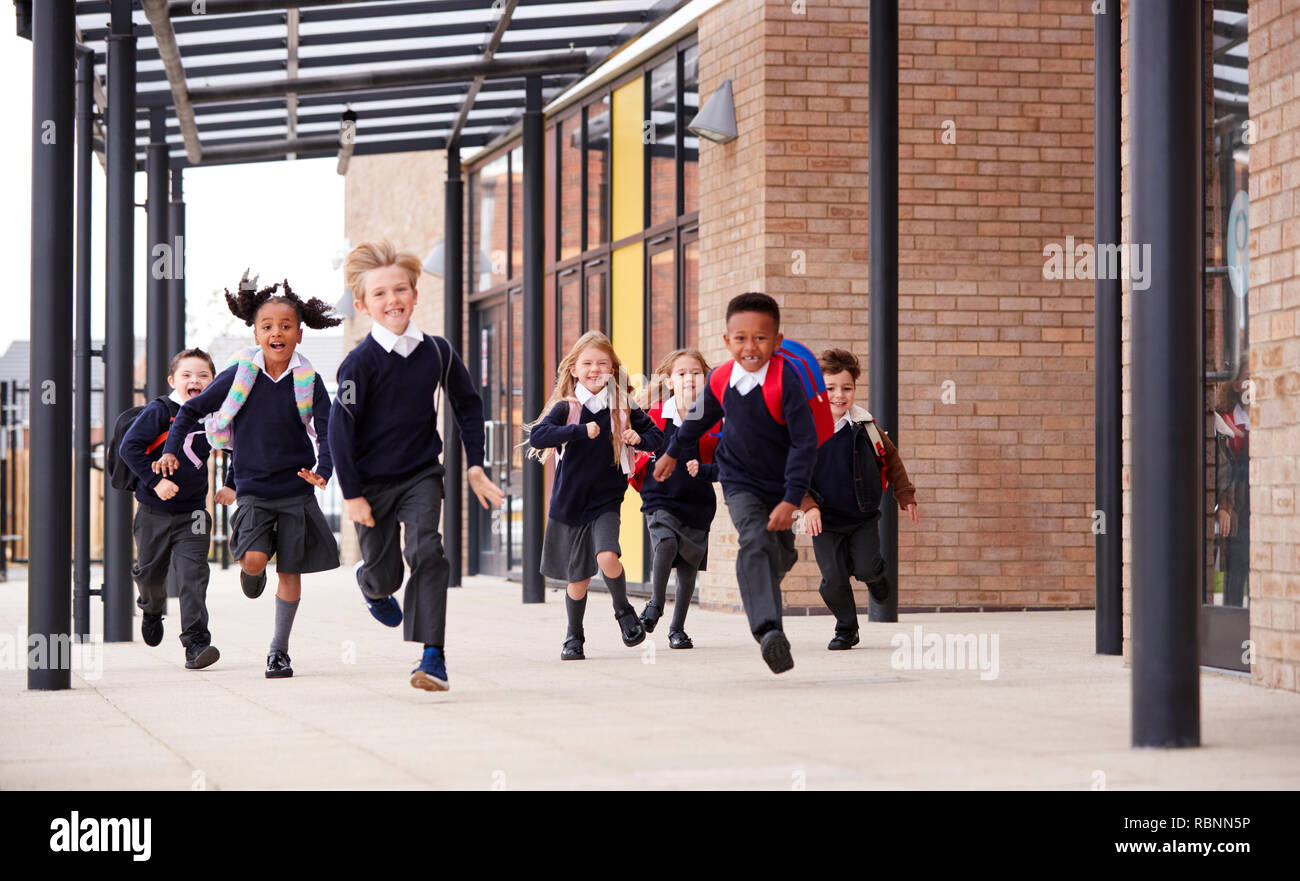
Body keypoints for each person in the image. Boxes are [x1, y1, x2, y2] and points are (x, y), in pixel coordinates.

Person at [330, 240, 505, 692]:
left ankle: (432, 656)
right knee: (386, 572)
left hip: (421, 474)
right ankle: (371, 583)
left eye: (401, 289)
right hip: (369, 483)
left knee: (428, 550)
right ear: (364, 304)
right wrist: (351, 495)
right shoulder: (357, 365)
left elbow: (467, 405)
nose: (394, 300)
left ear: (415, 293)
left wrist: (474, 464)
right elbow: (340, 430)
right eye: (381, 294)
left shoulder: (438, 352)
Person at [156, 277, 340, 680]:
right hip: (254, 489)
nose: (277, 332)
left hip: (295, 489)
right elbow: (189, 411)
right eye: (268, 326)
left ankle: (278, 651)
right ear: (256, 333)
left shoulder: (308, 381)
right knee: (256, 560)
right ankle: (251, 570)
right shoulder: (241, 375)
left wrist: (323, 470)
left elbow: (328, 430)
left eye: (286, 326)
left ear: (299, 334)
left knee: (290, 571)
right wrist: (170, 449)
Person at [652, 292, 819, 674]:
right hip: (738, 479)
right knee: (755, 541)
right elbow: (696, 419)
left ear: (777, 341)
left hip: (780, 483)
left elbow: (805, 444)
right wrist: (673, 451)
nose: (750, 346)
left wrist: (792, 498)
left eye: (760, 338)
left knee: (781, 553)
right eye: (740, 338)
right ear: (727, 341)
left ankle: (766, 576)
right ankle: (768, 631)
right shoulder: (722, 377)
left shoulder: (786, 382)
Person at [527, 331, 664, 661]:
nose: (594, 369)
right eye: (587, 363)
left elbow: (657, 437)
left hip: (606, 500)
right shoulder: (567, 407)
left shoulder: (622, 406)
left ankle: (624, 612)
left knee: (606, 556)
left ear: (613, 370)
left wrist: (637, 438)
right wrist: (577, 431)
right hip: (570, 503)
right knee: (579, 580)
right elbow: (538, 435)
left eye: (603, 364)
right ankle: (574, 636)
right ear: (574, 369)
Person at [799, 348, 917, 649]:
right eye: (830, 388)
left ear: (854, 389)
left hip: (862, 516)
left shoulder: (864, 426)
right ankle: (846, 629)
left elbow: (890, 457)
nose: (839, 395)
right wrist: (808, 506)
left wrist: (904, 494)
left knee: (865, 567)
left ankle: (876, 577)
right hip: (824, 520)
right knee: (833, 581)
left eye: (847, 388)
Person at [119, 348, 227, 670]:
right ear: (172, 380)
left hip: (194, 512)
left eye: (203, 376)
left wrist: (233, 483)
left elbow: (237, 445)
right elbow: (129, 448)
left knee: (193, 576)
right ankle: (151, 608)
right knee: (150, 574)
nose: (195, 380)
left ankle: (196, 645)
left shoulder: (215, 414)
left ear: (213, 381)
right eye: (187, 375)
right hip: (154, 511)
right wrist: (155, 481)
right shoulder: (159, 411)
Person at [635, 348, 721, 649]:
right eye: (682, 373)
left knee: (688, 569)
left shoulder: (714, 419)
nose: (689, 379)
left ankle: (677, 629)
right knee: (667, 543)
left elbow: (726, 460)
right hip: (660, 496)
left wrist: (708, 471)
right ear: (670, 381)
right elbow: (637, 450)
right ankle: (655, 604)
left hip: (698, 500)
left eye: (696, 373)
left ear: (706, 379)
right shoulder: (655, 414)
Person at [1214, 378, 1250, 606]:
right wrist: (1226, 506)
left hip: (1263, 501)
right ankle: (1234, 621)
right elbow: (1223, 466)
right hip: (1240, 503)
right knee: (1237, 565)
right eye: (1246, 376)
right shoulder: (1225, 419)